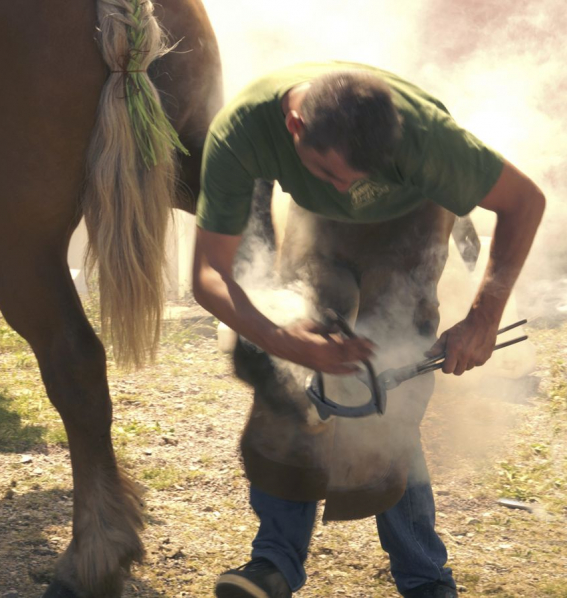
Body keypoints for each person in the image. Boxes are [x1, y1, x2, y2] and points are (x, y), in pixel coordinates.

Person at [191, 62, 545, 598]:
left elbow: (525, 201)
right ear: (295, 128)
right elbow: (208, 272)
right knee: (290, 382)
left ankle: (425, 578)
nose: (350, 190)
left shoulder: (426, 137)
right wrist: (281, 340)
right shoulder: (243, 130)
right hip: (316, 220)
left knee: (388, 392)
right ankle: (274, 563)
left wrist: (483, 319)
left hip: (413, 216)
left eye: (360, 176)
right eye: (333, 173)